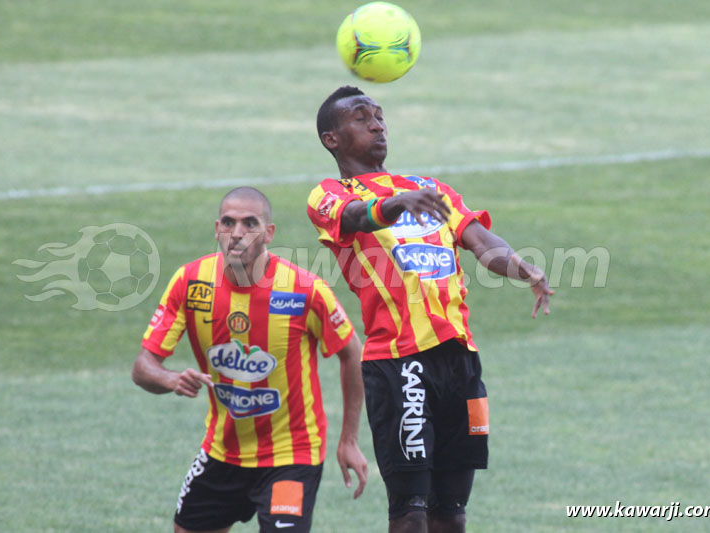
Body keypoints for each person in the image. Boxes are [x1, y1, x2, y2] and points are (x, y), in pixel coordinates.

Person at [307, 86, 554, 533]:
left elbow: (481, 242)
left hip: (461, 361)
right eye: (361, 118)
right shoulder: (329, 194)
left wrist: (521, 266)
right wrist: (396, 205)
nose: (378, 124)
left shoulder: (431, 188)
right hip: (399, 364)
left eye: (380, 116)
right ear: (332, 139)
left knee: (451, 511)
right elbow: (356, 218)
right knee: (410, 512)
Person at [133, 186, 368, 533]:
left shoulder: (305, 289)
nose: (237, 234)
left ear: (269, 233)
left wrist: (348, 438)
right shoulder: (190, 283)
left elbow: (353, 353)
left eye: (249, 223)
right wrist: (168, 379)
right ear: (216, 229)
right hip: (223, 452)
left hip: (292, 455)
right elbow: (143, 367)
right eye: (228, 223)